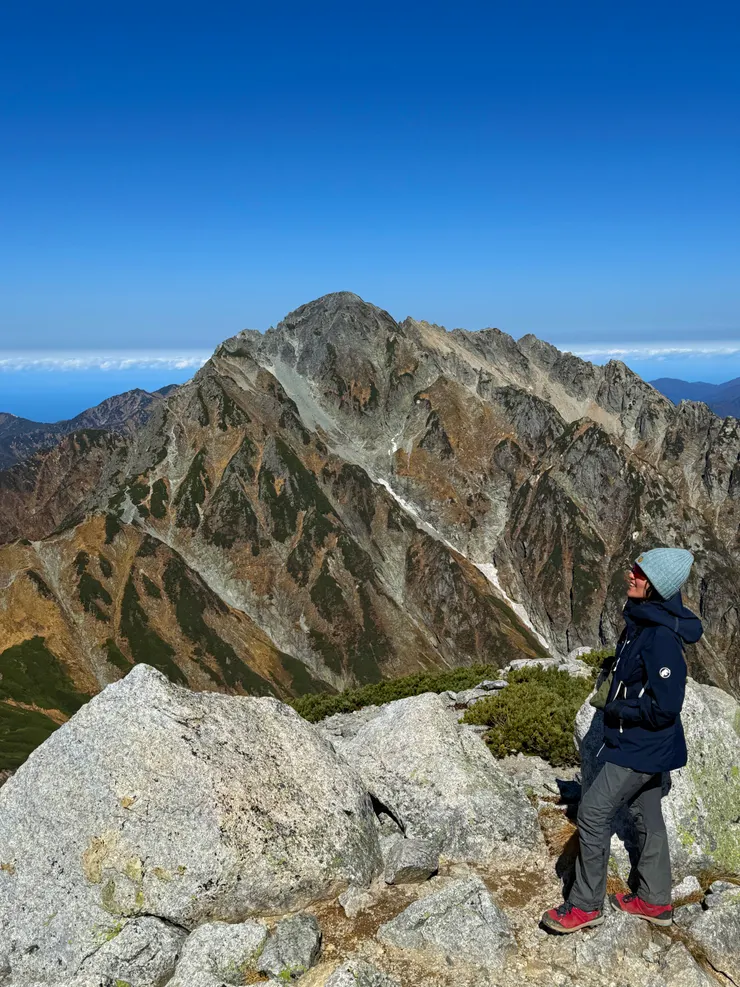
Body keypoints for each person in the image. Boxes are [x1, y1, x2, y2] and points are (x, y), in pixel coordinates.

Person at [542, 547, 702, 933]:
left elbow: (666, 707)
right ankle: (654, 899)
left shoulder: (660, 638)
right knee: (647, 816)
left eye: (640, 573)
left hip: (641, 747)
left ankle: (584, 906)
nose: (630, 575)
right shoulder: (641, 622)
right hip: (645, 746)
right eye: (634, 569)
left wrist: (617, 711)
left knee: (593, 813)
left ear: (657, 587)